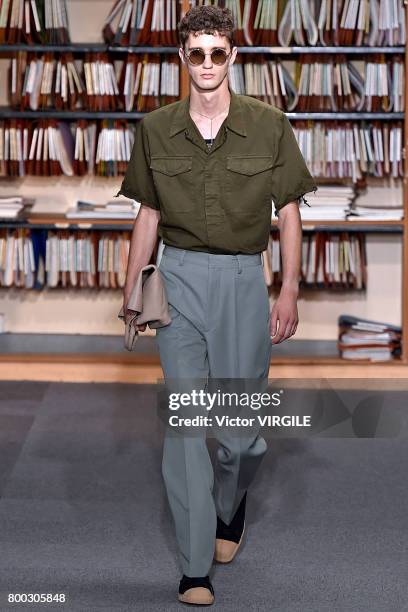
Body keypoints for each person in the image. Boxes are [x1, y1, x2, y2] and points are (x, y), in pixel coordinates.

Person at [116, 5, 317, 606]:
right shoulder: (155, 129)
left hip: (241, 283)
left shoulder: (270, 125)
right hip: (177, 281)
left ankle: (233, 506)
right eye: (196, 52)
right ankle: (194, 564)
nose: (206, 63)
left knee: (241, 437)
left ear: (233, 56)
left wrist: (287, 289)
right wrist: (131, 293)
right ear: (182, 58)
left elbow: (289, 215)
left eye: (217, 52)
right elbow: (148, 216)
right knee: (185, 424)